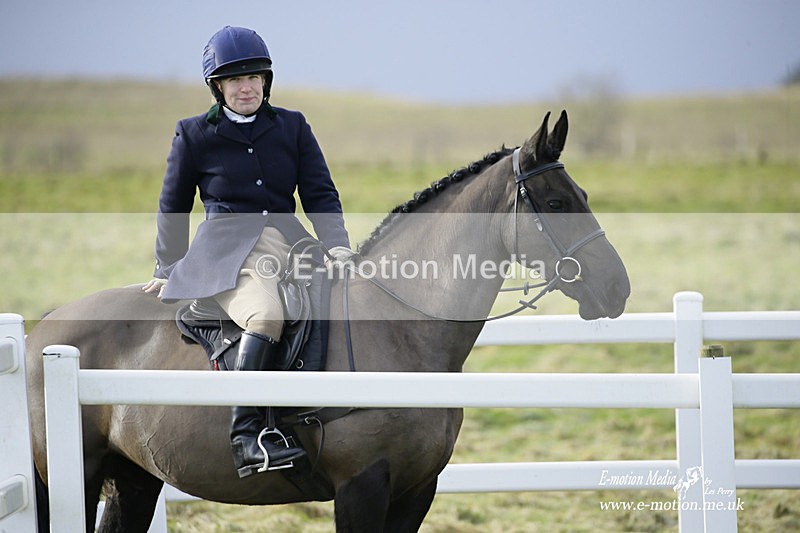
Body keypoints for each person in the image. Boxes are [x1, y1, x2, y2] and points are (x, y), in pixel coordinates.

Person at [142, 26, 353, 478]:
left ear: (266, 81)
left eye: (255, 77)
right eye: (235, 80)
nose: (246, 87)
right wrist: (167, 266)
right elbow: (173, 205)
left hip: (293, 244)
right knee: (266, 317)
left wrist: (337, 245)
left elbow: (320, 192)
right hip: (228, 254)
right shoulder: (194, 134)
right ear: (217, 87)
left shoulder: (292, 125)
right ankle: (246, 434)